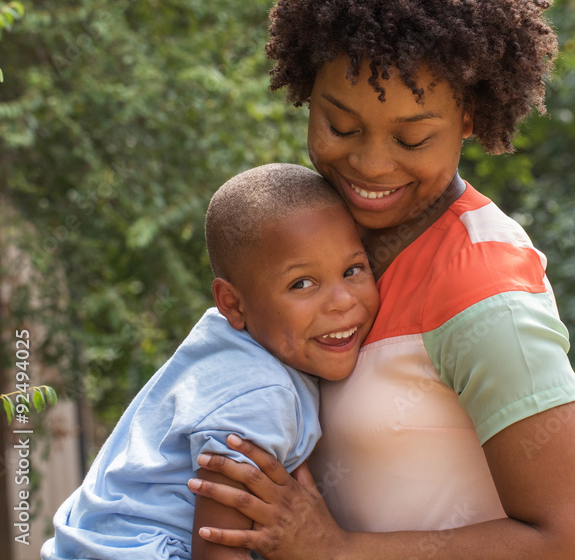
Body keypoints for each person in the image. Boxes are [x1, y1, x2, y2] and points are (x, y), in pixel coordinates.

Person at [187, 0, 575, 558]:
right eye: (340, 125)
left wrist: (337, 548)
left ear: (471, 116)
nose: (369, 164)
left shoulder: (483, 291)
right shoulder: (311, 241)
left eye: (413, 137)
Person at [42, 163, 380, 560]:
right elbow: (219, 552)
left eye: (352, 270)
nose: (342, 301)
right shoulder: (259, 395)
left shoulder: (224, 343)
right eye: (301, 284)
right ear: (233, 304)